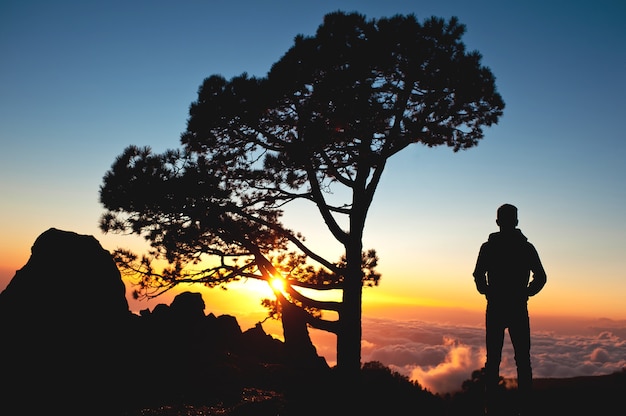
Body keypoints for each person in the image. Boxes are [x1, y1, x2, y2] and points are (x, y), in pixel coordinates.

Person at [473, 203, 547, 415]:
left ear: (498, 222)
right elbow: (541, 277)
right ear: (516, 221)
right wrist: (526, 292)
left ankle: (492, 407)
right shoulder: (526, 247)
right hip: (517, 308)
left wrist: (486, 291)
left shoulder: (488, 247)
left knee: (494, 358)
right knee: (523, 360)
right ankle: (525, 407)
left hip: (496, 308)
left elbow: (478, 275)